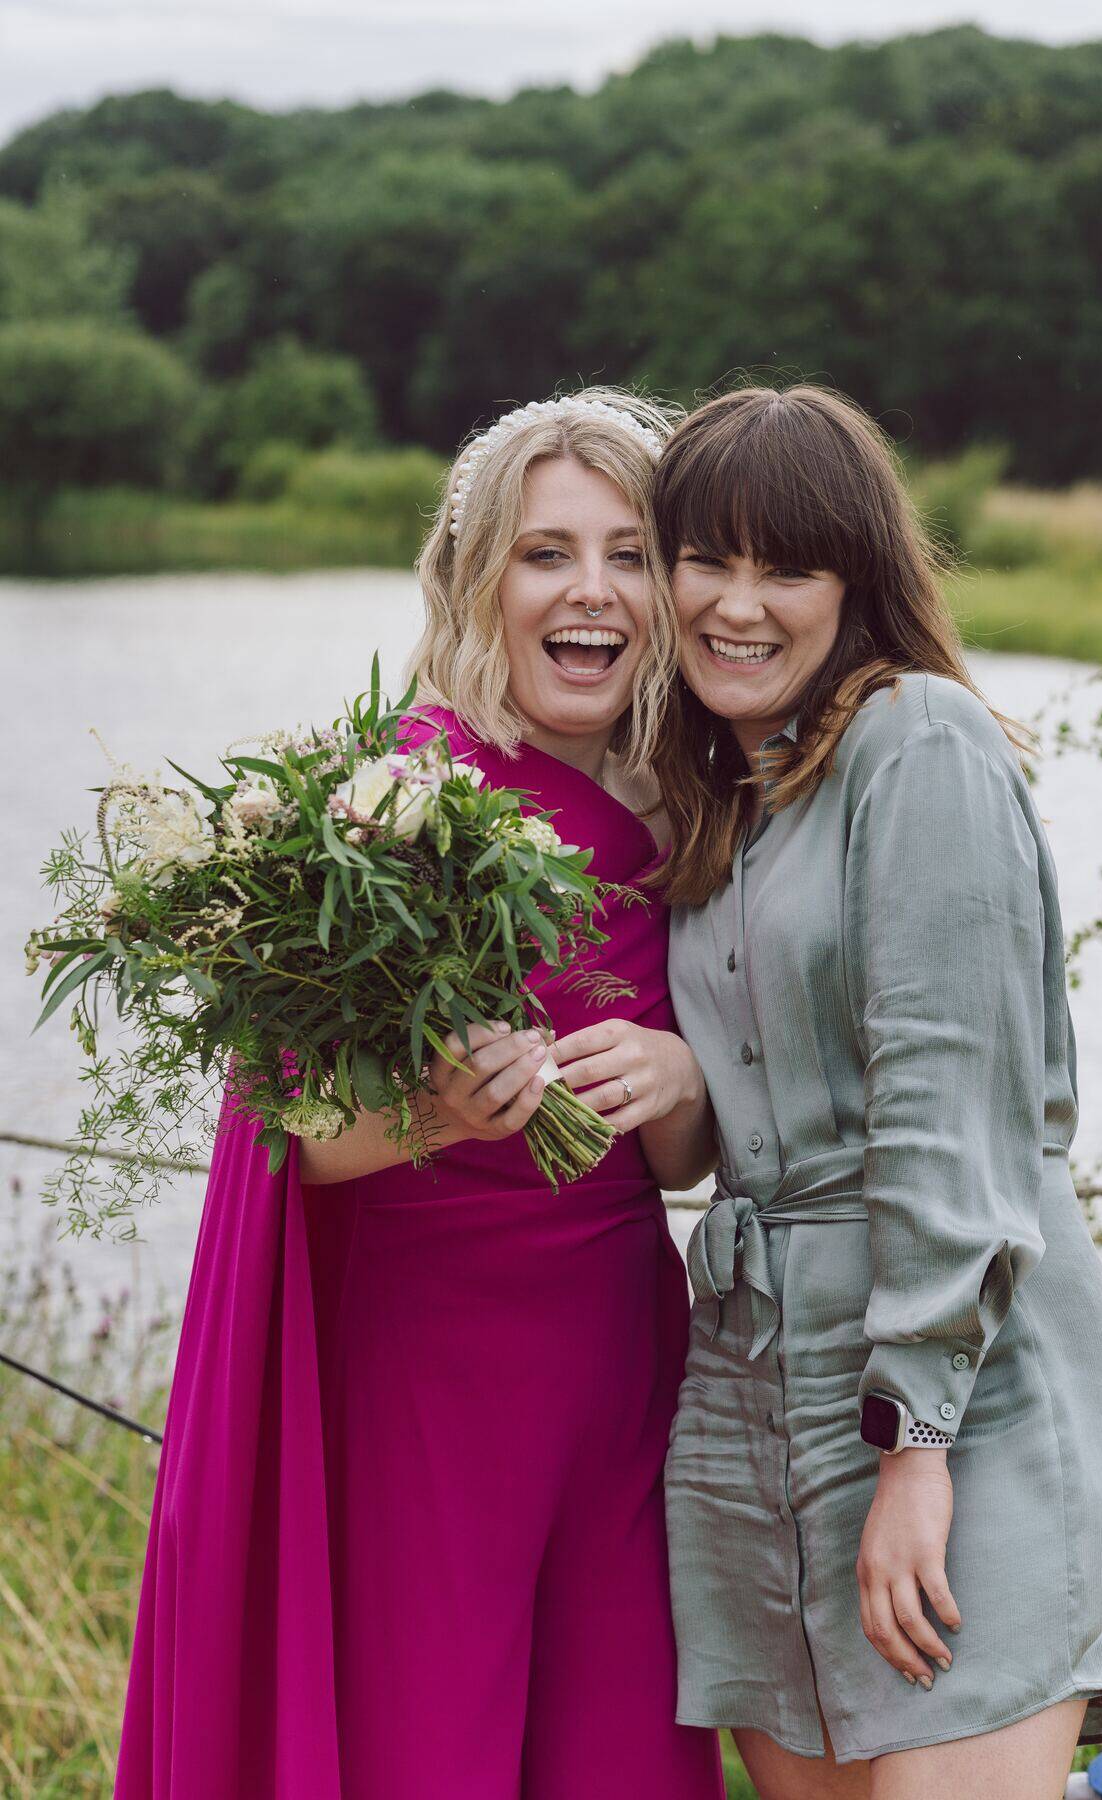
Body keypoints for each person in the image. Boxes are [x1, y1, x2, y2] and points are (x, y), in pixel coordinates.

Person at [114, 389, 725, 1800]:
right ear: (475, 579)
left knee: (617, 1757)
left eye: (629, 554)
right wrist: (436, 1116)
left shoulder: (691, 806)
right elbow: (293, 1137)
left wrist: (681, 1080)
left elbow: (686, 1158)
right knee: (424, 1742)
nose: (592, 592)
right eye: (545, 553)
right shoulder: (393, 802)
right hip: (423, 1383)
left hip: (624, 1371)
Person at [651, 385, 1102, 1800]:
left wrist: (916, 1445)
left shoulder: (915, 743)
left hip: (955, 1394)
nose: (738, 605)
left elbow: (945, 1113)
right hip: (748, 1399)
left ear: (856, 584)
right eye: (706, 559)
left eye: (786, 566)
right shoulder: (723, 807)